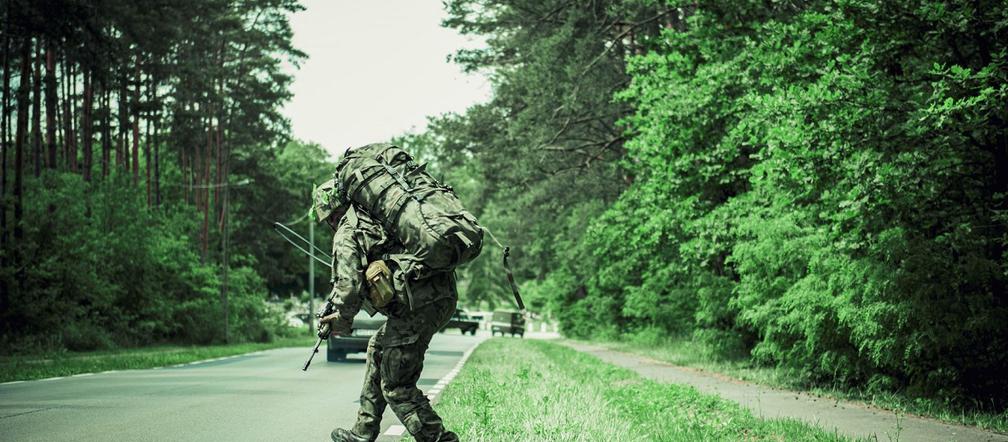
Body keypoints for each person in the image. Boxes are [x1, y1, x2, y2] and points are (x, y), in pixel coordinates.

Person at [312, 179, 461, 442]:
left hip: (417, 306)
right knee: (378, 349)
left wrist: (337, 320)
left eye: (327, 219)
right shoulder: (379, 216)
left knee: (397, 386)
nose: (329, 224)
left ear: (331, 212)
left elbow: (348, 288)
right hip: (441, 296)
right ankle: (363, 431)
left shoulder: (348, 230)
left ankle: (438, 439)